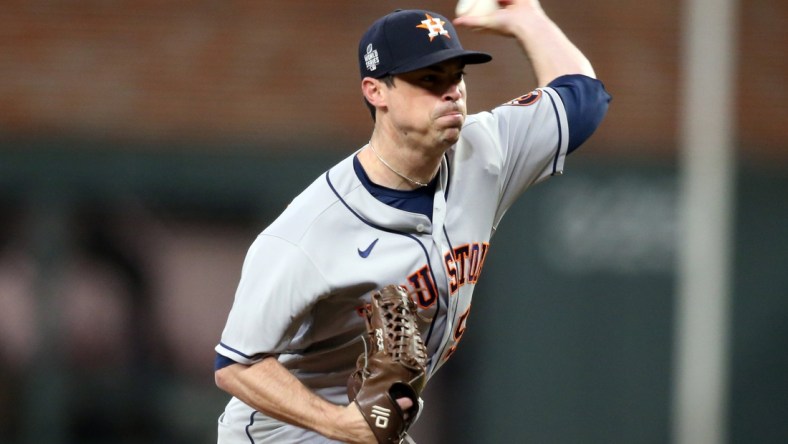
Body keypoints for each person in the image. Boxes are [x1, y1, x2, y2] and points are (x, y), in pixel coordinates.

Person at [213, 1, 611, 442]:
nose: (451, 91)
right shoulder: (308, 232)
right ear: (375, 91)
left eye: (456, 75)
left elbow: (583, 97)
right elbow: (236, 366)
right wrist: (340, 425)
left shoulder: (484, 153)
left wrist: (527, 19)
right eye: (428, 79)